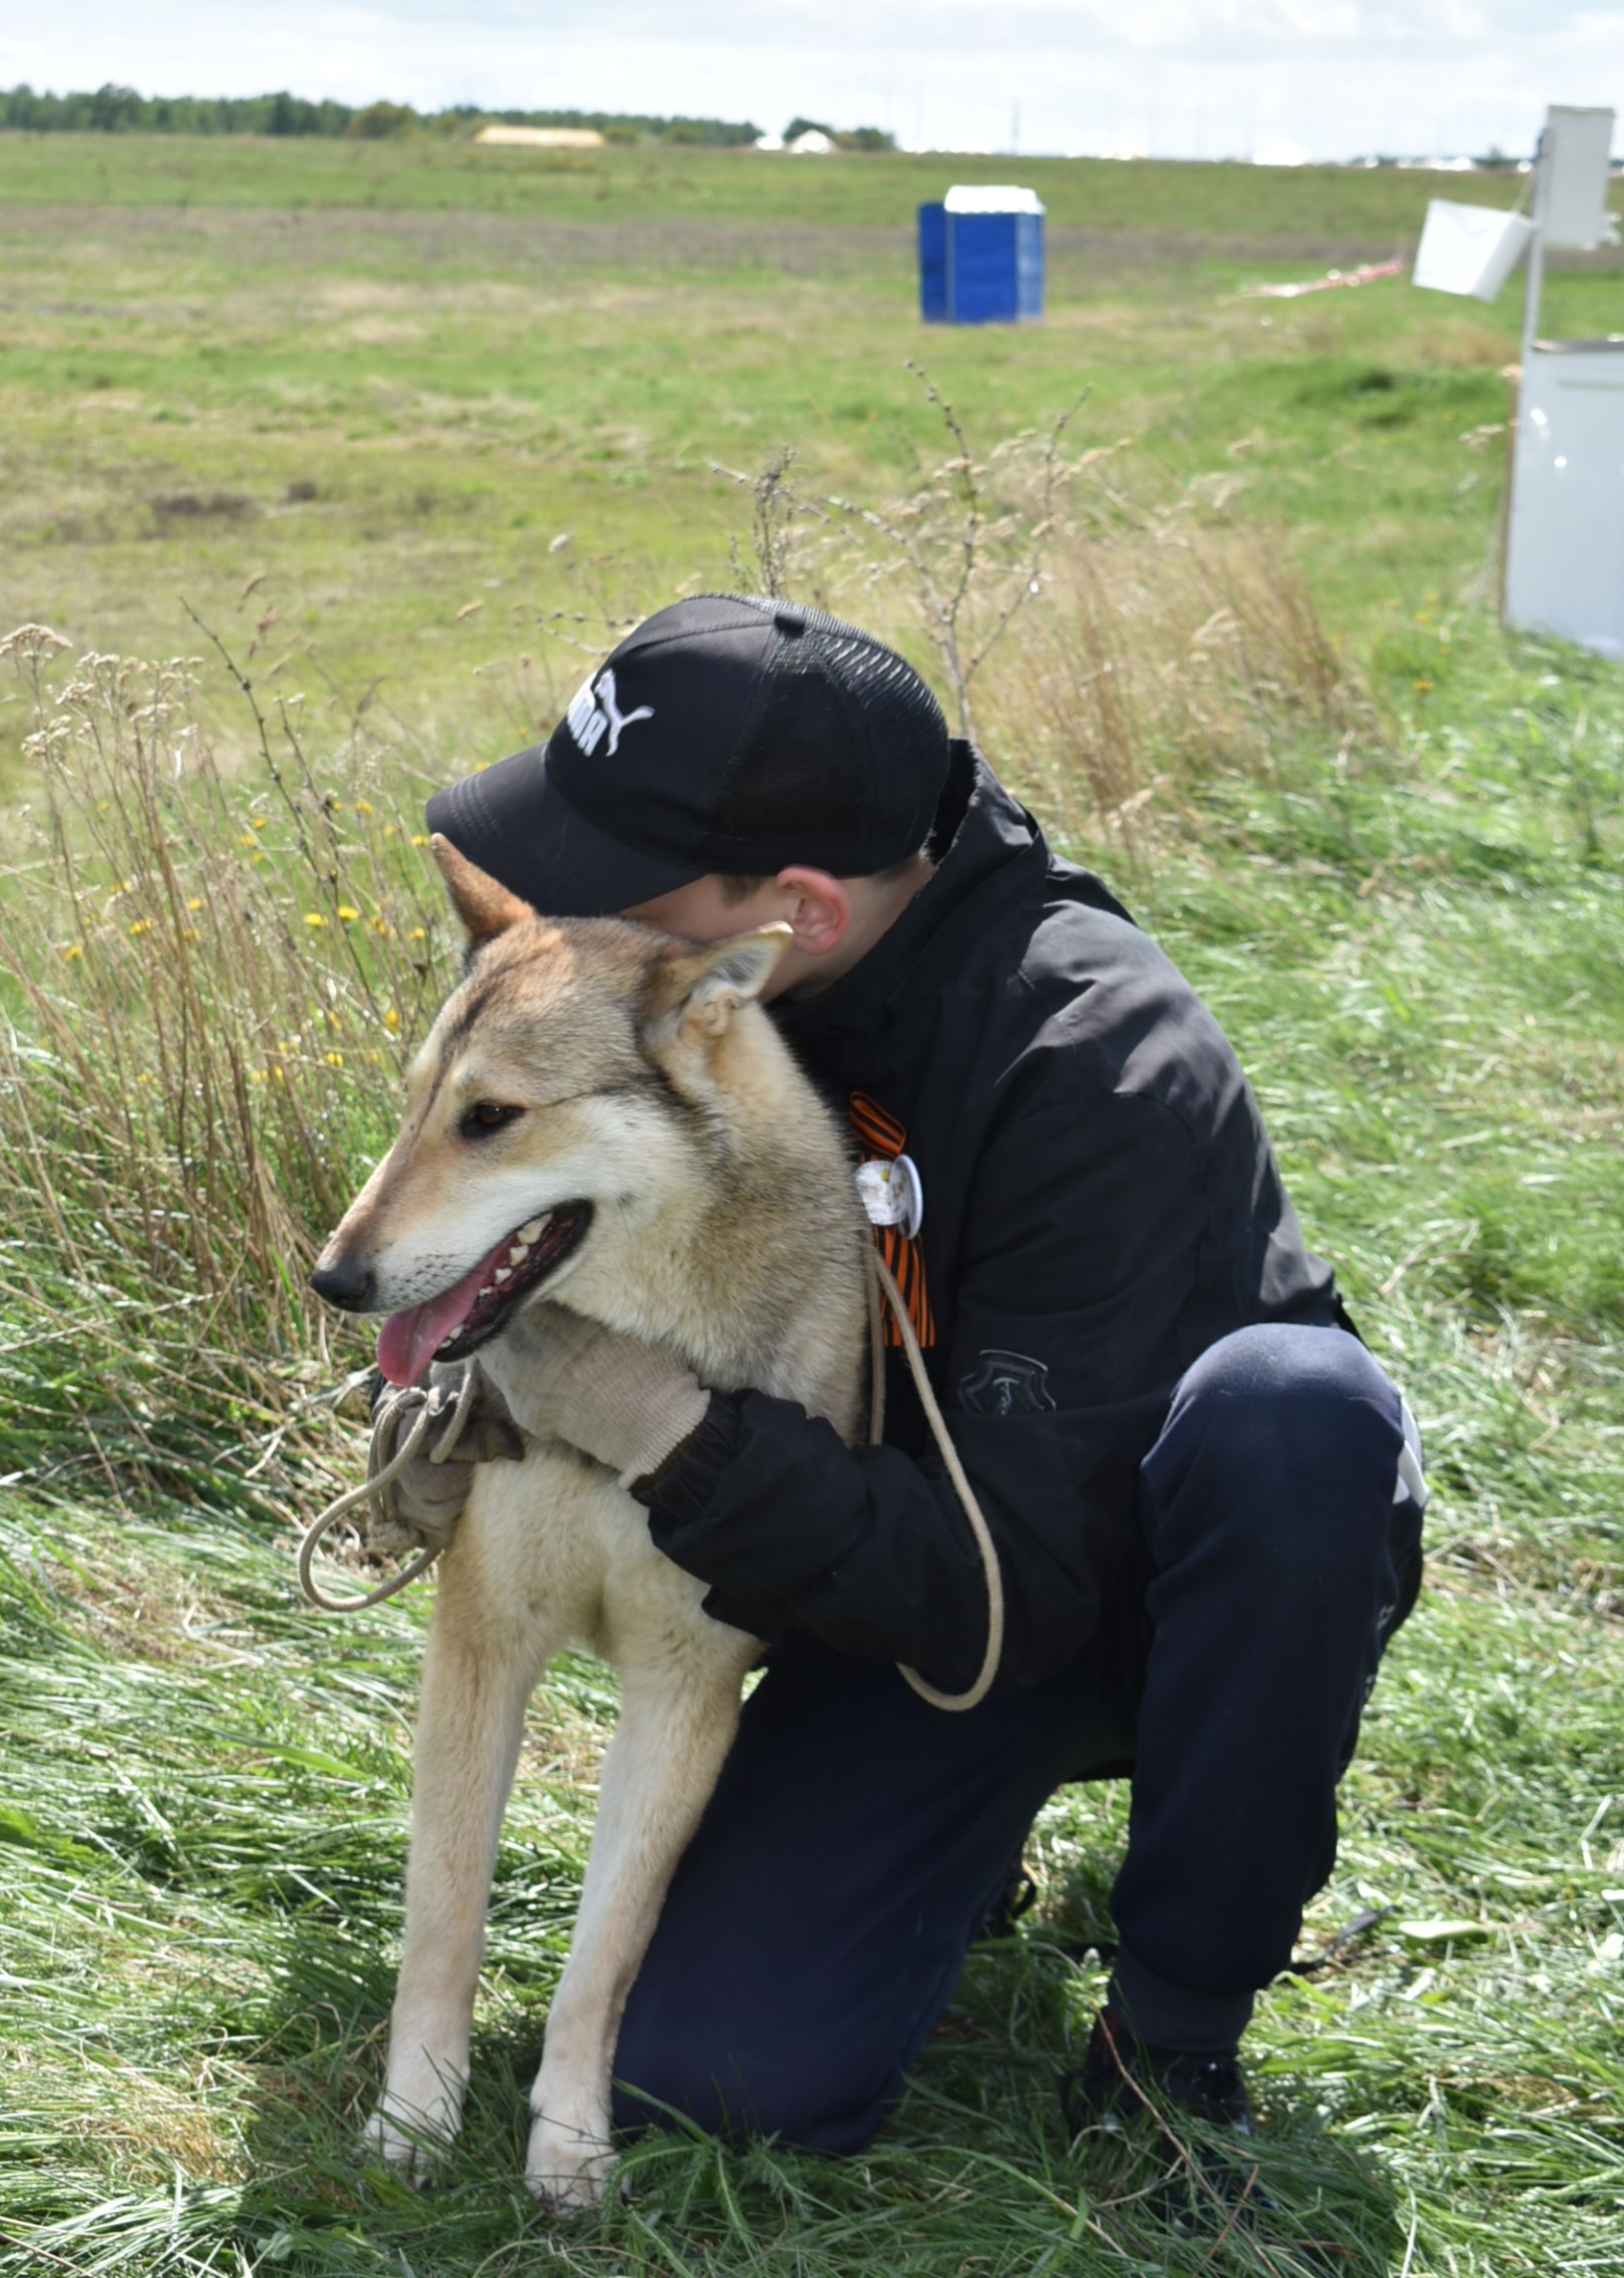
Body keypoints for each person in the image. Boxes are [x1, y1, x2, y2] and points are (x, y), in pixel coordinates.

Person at [391, 593, 1424, 2210]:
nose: (560, 915)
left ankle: (1176, 2032)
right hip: (870, 1589)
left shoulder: (1095, 1061)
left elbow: (1004, 1605)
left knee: (1300, 1418)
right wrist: (479, 1347)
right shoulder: (691, 1024)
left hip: (1113, 1601)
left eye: (611, 879)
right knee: (720, 2085)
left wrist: (657, 1426)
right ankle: (949, 1857)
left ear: (791, 909)